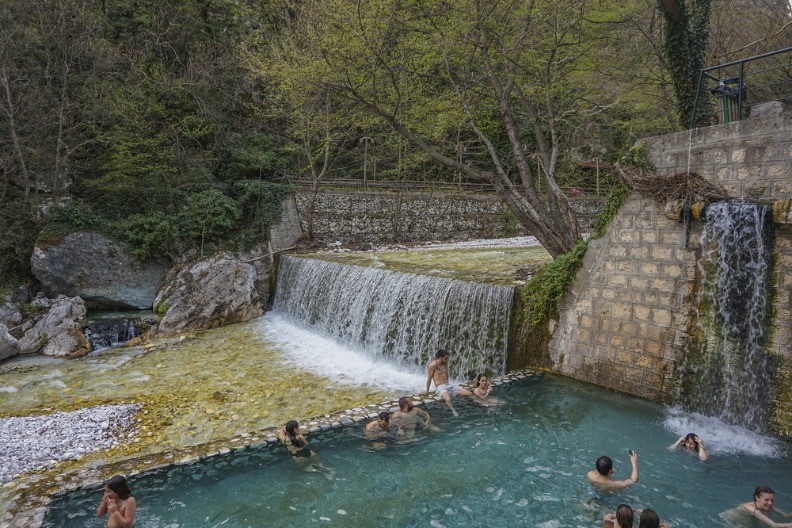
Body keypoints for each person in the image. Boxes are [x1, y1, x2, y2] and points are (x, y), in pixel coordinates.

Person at [426, 349, 473, 416]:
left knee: (469, 393)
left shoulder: (445, 363)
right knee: (448, 399)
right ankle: (453, 410)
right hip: (440, 387)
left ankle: (481, 402)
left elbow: (446, 374)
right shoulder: (432, 366)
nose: (447, 360)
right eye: (446, 358)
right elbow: (429, 378)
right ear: (440, 358)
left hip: (449, 385)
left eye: (447, 358)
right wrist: (427, 390)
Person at [725, 485, 792, 527]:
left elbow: (786, 515)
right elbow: (774, 525)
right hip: (730, 519)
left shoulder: (767, 506)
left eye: (772, 500)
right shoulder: (752, 509)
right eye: (766, 500)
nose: (770, 503)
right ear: (757, 498)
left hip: (748, 519)